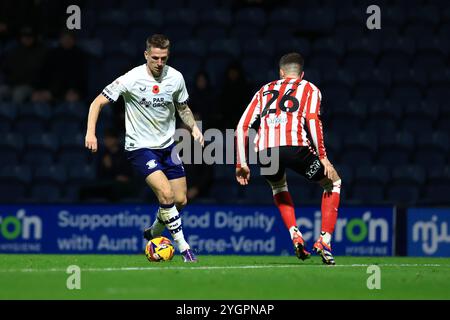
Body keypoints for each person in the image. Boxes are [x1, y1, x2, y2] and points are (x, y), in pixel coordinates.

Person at [85, 34, 204, 262]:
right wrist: (91, 133)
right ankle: (184, 248)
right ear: (146, 55)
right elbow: (97, 102)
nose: (160, 63)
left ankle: (154, 232)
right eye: (155, 58)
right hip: (140, 147)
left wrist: (194, 128)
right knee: (166, 193)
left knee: (180, 199)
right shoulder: (132, 79)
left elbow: (183, 107)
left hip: (168, 146)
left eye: (164, 59)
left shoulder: (176, 78)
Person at [235, 53, 341, 265]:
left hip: (265, 151)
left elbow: (242, 126)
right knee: (333, 182)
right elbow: (313, 120)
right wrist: (323, 157)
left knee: (278, 187)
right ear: (301, 74)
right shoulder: (309, 88)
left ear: (281, 73)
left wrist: (241, 163)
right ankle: (325, 241)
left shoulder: (263, 90)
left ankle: (295, 234)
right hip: (295, 148)